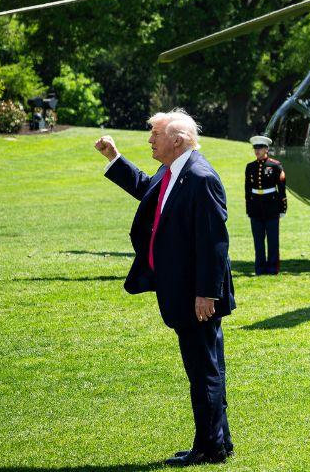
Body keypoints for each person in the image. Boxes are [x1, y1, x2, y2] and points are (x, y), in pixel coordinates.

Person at [94, 110, 235, 467]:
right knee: (207, 368)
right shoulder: (171, 172)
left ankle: (208, 449)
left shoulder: (200, 177)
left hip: (196, 295)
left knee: (204, 372)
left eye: (155, 134)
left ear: (178, 139)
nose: (150, 140)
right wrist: (115, 159)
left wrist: (207, 293)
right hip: (180, 290)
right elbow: (146, 189)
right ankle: (219, 442)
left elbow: (214, 242)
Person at [245, 135, 287, 275]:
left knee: (273, 240)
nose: (257, 151)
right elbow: (248, 190)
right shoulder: (250, 167)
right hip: (256, 207)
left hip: (272, 206)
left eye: (260, 148)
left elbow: (281, 188)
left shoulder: (275, 166)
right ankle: (260, 269)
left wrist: (282, 207)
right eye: (255, 148)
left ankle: (272, 269)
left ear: (266, 149)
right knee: (258, 241)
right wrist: (249, 208)